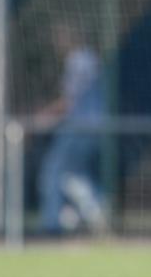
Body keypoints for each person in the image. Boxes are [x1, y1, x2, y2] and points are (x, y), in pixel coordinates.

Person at [37, 23, 107, 235]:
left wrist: (44, 116)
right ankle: (96, 212)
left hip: (80, 129)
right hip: (89, 128)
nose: (57, 43)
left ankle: (52, 226)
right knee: (74, 175)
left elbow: (69, 101)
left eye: (60, 37)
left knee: (52, 172)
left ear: (72, 37)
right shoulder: (87, 59)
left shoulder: (80, 61)